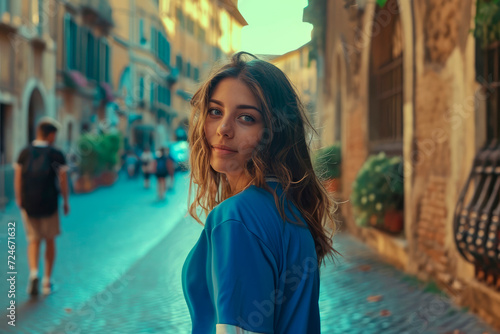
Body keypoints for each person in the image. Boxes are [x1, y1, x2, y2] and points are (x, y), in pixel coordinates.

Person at [181, 52, 340, 333]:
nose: (223, 130)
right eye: (215, 111)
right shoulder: (286, 205)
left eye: (246, 118)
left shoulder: (236, 218)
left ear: (274, 132)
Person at [14, 117, 70, 296]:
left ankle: (33, 274)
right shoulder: (56, 154)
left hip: (29, 204)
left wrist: (19, 199)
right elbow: (63, 181)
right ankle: (47, 281)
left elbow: (18, 179)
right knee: (50, 240)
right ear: (51, 135)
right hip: (50, 204)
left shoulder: (24, 153)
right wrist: (66, 201)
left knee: (33, 240)